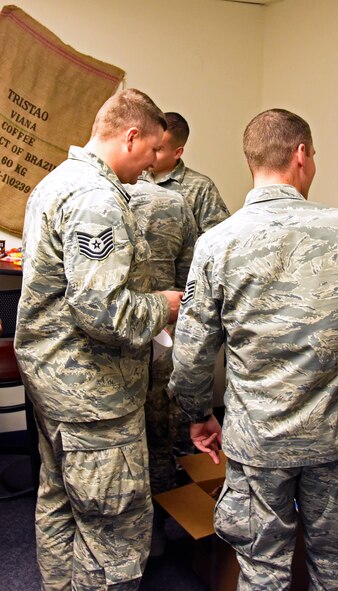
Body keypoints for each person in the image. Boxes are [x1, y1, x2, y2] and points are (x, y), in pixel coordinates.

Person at [168, 108, 338, 590]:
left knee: (262, 570)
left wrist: (198, 414)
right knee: (336, 566)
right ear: (301, 154)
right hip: (334, 438)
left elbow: (191, 354)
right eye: (313, 155)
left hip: (258, 442)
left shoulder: (216, 244)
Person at [14, 88, 183, 590]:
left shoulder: (56, 182)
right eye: (153, 151)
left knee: (61, 500)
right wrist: (165, 305)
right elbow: (103, 311)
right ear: (131, 137)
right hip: (92, 395)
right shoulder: (96, 198)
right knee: (114, 529)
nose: (154, 165)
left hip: (54, 385)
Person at [126, 178, 198, 555]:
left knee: (120, 440)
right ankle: (158, 528)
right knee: (161, 433)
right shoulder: (175, 202)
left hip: (110, 350)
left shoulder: (91, 196)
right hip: (163, 336)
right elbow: (190, 279)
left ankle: (126, 535)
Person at [142, 111, 230, 235]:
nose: (149, 153)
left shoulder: (201, 187)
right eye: (149, 146)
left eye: (158, 149)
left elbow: (216, 239)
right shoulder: (133, 177)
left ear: (177, 152)